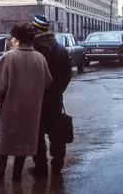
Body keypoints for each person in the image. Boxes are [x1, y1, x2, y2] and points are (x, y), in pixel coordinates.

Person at [0, 22, 52, 181]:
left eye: (13, 37)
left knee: (5, 140)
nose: (11, 40)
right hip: (31, 109)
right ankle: (17, 174)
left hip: (11, 108)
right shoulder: (40, 58)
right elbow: (47, 82)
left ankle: (0, 172)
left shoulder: (8, 57)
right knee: (24, 141)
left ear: (17, 39)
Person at [30, 16, 73, 177]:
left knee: (37, 133)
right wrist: (58, 91)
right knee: (56, 131)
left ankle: (40, 165)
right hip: (55, 98)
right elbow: (67, 75)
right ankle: (58, 164)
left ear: (35, 30)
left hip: (36, 99)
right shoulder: (60, 49)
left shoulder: (33, 49)